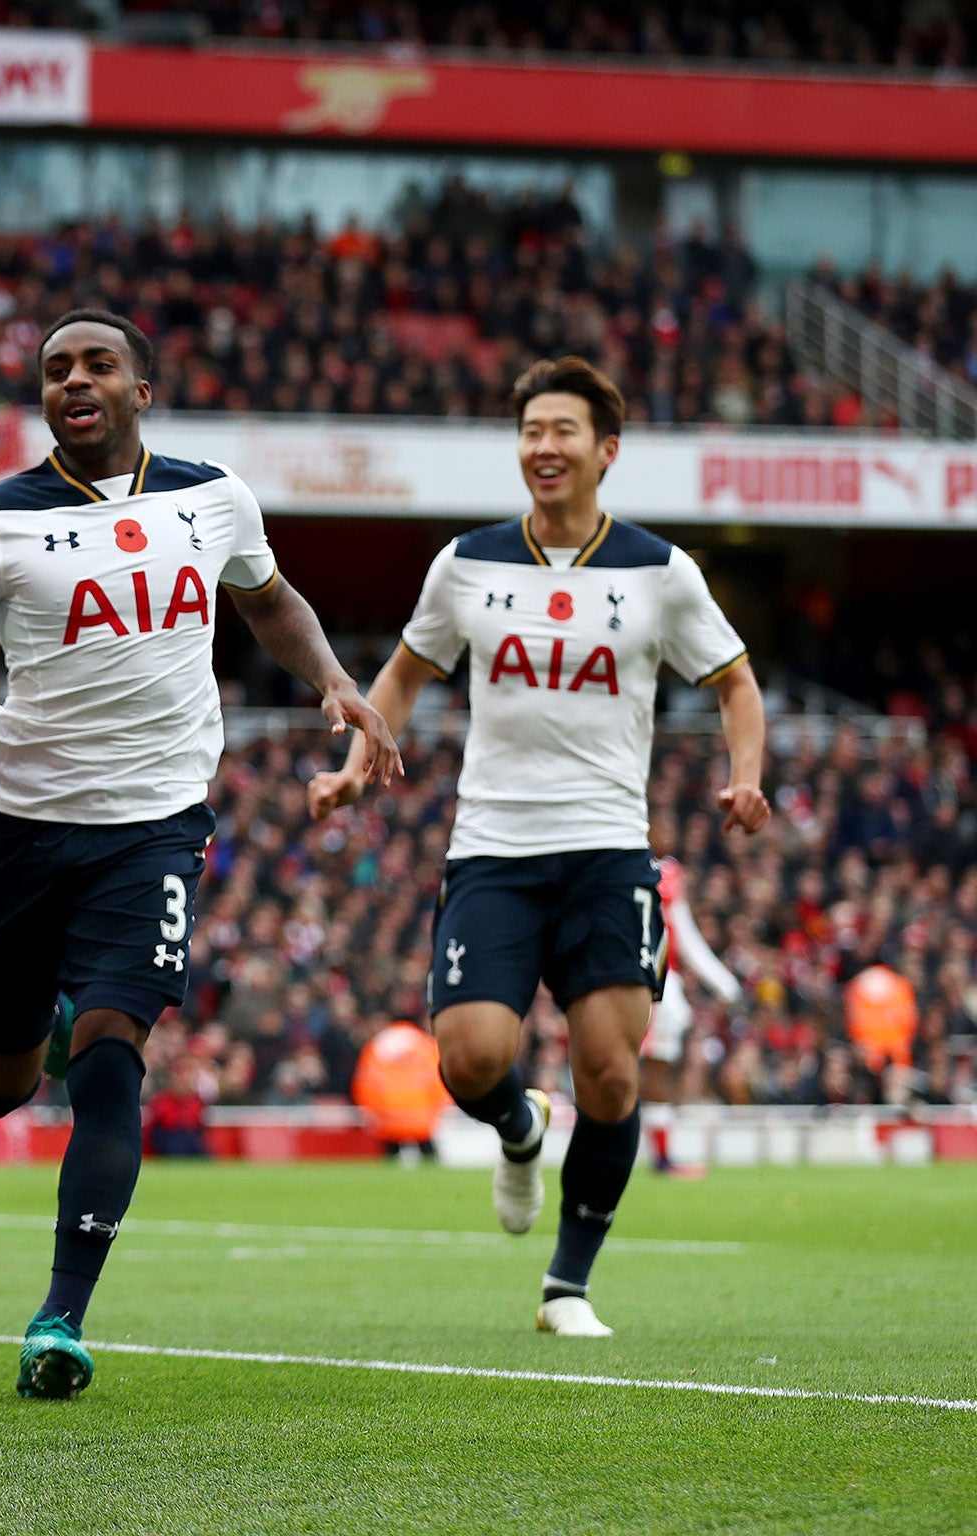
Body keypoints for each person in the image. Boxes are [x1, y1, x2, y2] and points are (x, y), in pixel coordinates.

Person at [0, 308, 398, 1398]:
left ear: (139, 388)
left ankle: (58, 1317)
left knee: (115, 1051)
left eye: (97, 364)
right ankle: (38, 1027)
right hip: (18, 822)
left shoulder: (212, 495)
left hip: (152, 826)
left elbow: (267, 598)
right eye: (56, 368)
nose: (74, 380)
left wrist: (333, 679)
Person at [310, 355, 769, 1337]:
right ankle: (518, 1131)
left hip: (606, 851)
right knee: (471, 1057)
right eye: (528, 432)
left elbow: (733, 682)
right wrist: (357, 760)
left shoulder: (658, 571)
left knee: (607, 1071)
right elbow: (401, 673)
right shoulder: (466, 562)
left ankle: (567, 1285)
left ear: (605, 451)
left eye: (561, 431)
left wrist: (745, 774)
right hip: (491, 850)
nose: (541, 447)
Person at [639, 852, 742, 1174]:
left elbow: (682, 933)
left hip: (654, 981)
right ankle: (656, 1157)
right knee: (650, 1067)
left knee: (657, 1066)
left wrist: (723, 983)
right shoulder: (638, 866)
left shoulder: (667, 873)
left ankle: (660, 1155)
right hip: (646, 980)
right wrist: (725, 984)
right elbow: (685, 935)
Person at [352, 1019, 449, 1162]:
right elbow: (439, 1080)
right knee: (429, 1158)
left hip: (388, 1118)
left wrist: (372, 1111)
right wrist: (438, 1108)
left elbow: (363, 1083)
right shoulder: (425, 1044)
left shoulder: (377, 1045)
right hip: (422, 1117)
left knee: (390, 1159)